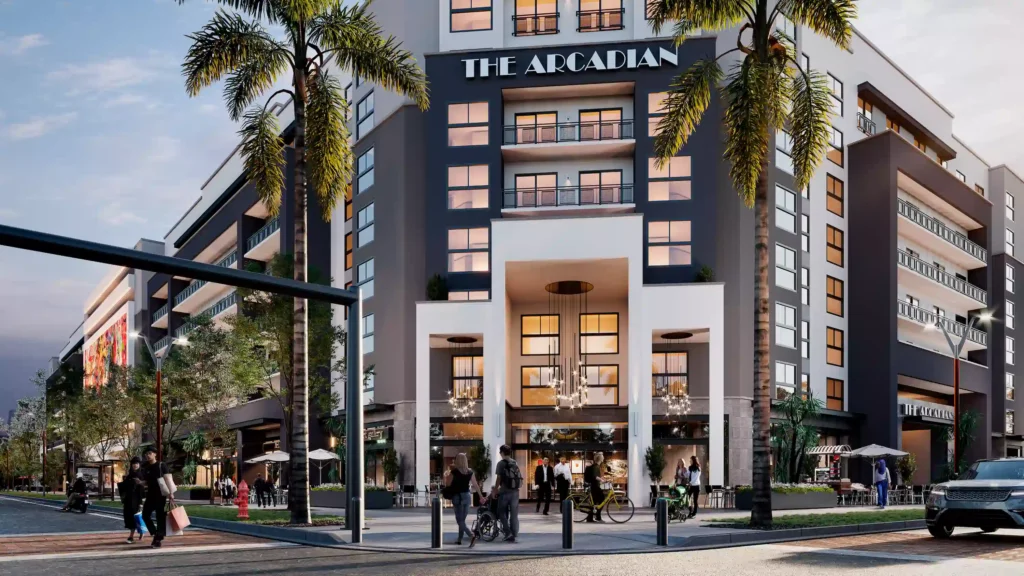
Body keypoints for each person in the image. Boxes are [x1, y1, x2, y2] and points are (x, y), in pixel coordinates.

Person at [444, 453, 485, 545]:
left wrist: (447, 476)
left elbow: (448, 485)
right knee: (462, 520)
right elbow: (475, 485)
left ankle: (471, 535)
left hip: (457, 497)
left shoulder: (454, 472)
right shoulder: (470, 472)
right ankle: (459, 539)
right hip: (467, 496)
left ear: (457, 460)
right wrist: (481, 496)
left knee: (459, 520)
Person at [141, 446, 174, 548]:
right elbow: (146, 481)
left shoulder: (161, 465)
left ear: (155, 454)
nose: (148, 455)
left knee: (160, 517)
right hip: (150, 494)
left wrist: (171, 493)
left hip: (161, 494)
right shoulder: (146, 468)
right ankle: (155, 533)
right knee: (145, 515)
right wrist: (140, 482)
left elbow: (168, 479)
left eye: (150, 453)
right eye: (146, 454)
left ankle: (158, 539)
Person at [492, 444, 522, 543]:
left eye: (500, 452)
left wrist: (495, 490)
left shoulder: (501, 464)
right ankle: (514, 533)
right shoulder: (514, 462)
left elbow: (499, 478)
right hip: (515, 492)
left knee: (501, 512)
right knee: (514, 514)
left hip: (505, 492)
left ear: (502, 453)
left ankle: (508, 533)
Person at [120, 456, 146, 543]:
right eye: (134, 464)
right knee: (129, 517)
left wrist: (142, 501)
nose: (135, 465)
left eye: (137, 464)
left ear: (139, 465)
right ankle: (135, 534)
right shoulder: (129, 475)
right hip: (128, 499)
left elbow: (143, 489)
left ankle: (134, 535)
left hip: (137, 499)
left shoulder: (141, 475)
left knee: (136, 517)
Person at [583, 453, 607, 523]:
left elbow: (596, 476)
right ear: (600, 458)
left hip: (594, 486)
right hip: (595, 486)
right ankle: (597, 516)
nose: (603, 458)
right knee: (601, 500)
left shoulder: (595, 466)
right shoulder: (596, 466)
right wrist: (601, 480)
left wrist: (602, 479)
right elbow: (594, 476)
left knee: (595, 502)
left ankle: (592, 517)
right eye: (602, 457)